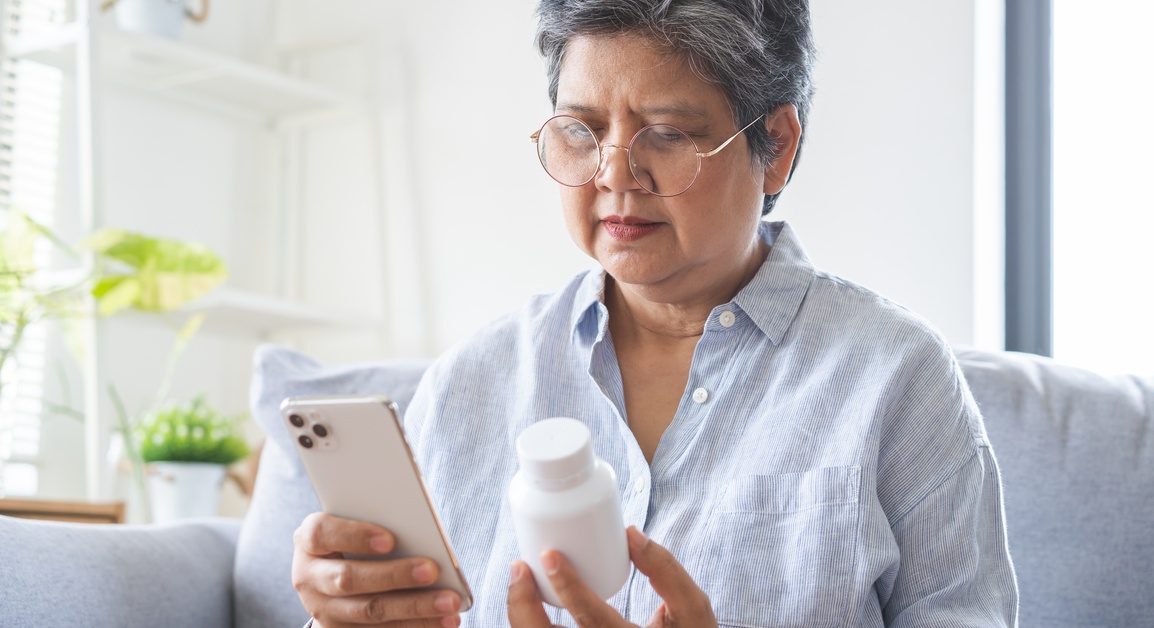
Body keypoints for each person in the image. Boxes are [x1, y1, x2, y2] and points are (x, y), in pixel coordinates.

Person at [291, 0, 1019, 626]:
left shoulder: (895, 380)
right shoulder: (471, 384)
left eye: (667, 134)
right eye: (580, 130)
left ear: (777, 148)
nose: (614, 174)